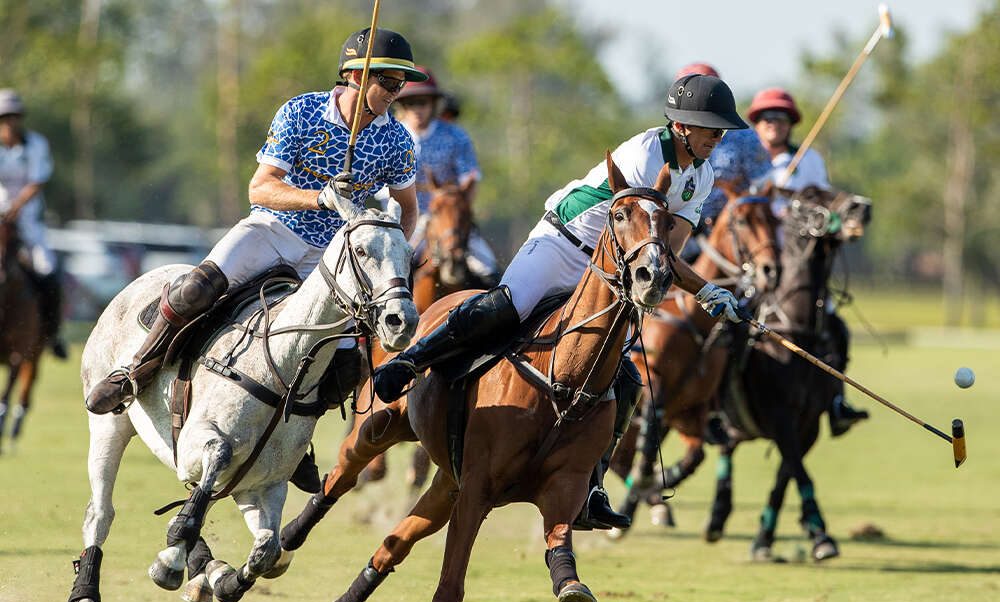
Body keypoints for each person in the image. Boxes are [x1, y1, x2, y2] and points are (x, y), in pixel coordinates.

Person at [373, 74, 749, 529]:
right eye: (711, 127)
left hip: (609, 267)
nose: (719, 136)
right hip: (564, 244)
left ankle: (593, 486)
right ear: (683, 126)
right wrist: (704, 289)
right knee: (508, 307)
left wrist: (706, 289)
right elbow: (642, 235)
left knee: (624, 376)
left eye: (721, 128)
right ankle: (410, 362)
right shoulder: (648, 153)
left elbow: (668, 248)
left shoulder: (702, 176)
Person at [85, 27, 427, 420]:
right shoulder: (302, 112)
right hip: (272, 230)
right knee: (195, 290)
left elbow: (408, 208)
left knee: (348, 365)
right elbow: (260, 188)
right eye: (386, 80)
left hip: (331, 257)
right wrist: (320, 197)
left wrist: (396, 252)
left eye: (399, 84)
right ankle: (135, 372)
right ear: (353, 74)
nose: (394, 91)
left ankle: (294, 440)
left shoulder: (397, 141)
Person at [748, 87, 868, 436]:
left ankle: (835, 402)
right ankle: (714, 404)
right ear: (757, 123)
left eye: (781, 118)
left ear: (791, 124)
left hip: (799, 266)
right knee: (726, 326)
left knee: (834, 327)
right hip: (753, 260)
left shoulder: (809, 162)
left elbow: (826, 206)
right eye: (768, 117)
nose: (774, 123)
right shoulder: (743, 159)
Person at [392, 66, 499, 286]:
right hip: (404, 218)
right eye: (412, 103)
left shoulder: (455, 135)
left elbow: (469, 179)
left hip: (449, 216)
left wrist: (459, 214)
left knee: (489, 269)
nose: (417, 109)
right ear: (403, 105)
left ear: (433, 105)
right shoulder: (391, 135)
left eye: (423, 102)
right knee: (391, 271)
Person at [670, 64, 772, 263]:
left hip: (733, 230)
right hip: (680, 226)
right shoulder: (667, 137)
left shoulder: (746, 138)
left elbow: (762, 188)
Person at [0, 89, 67, 359]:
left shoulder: (36, 144)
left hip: (27, 220)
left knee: (47, 269)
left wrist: (16, 207)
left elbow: (37, 181)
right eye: (5, 117)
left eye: (14, 117)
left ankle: (52, 333)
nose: (9, 123)